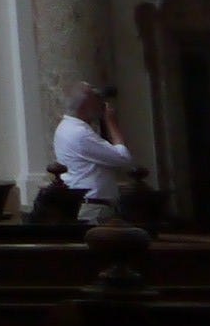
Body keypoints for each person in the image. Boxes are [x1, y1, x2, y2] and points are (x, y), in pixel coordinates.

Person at [53, 82, 146, 224]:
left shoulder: (66, 126)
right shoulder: (80, 133)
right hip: (94, 207)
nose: (100, 103)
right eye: (96, 99)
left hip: (87, 203)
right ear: (85, 105)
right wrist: (111, 123)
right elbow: (123, 158)